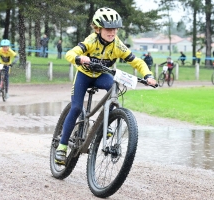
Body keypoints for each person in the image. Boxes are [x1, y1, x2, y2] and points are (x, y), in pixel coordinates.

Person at [54, 7, 156, 165]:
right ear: (98, 28)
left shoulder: (118, 45)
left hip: (101, 76)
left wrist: (148, 76)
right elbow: (70, 54)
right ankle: (62, 146)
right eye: (108, 28)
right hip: (84, 76)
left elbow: (137, 62)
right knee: (76, 108)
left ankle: (106, 123)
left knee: (114, 87)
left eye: (115, 28)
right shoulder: (90, 41)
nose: (112, 32)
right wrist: (80, 58)